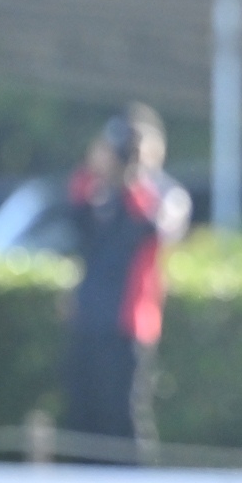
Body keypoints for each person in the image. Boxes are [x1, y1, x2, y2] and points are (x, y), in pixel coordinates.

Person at [63, 104, 192, 460]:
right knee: (84, 409)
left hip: (129, 320)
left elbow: (157, 227)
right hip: (89, 315)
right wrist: (97, 166)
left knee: (123, 412)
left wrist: (136, 175)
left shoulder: (164, 194)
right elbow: (75, 215)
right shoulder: (98, 190)